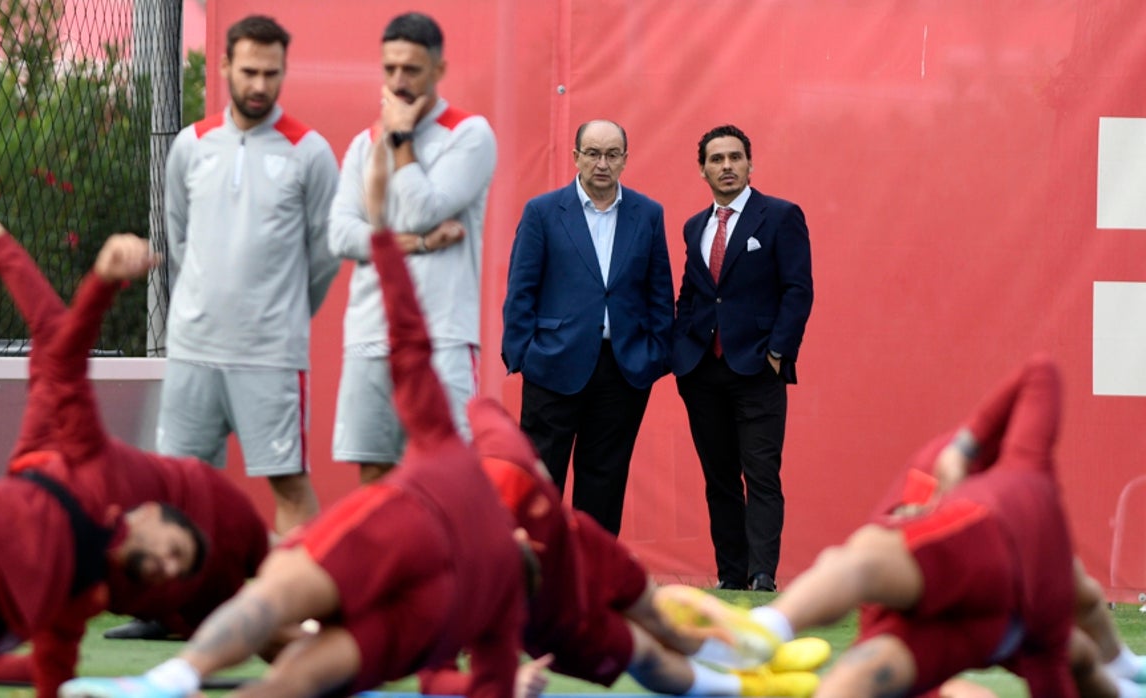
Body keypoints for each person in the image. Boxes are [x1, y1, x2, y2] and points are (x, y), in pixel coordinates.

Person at [59, 135, 526, 698]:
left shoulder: (466, 583)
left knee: (292, 639)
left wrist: (384, 235)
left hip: (379, 565)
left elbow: (417, 344)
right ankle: (167, 680)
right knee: (293, 638)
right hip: (380, 566)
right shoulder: (476, 573)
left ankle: (166, 681)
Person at [0, 171, 232, 698]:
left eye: (174, 571)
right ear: (142, 512)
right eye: (173, 551)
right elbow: (61, 343)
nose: (167, 567)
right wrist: (96, 280)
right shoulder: (86, 463)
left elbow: (54, 671)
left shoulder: (87, 593)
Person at [660, 355, 1079, 697]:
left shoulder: (1005, 474)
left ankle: (768, 628)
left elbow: (1040, 372)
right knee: (863, 671)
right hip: (1007, 623)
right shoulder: (1036, 501)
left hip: (988, 557)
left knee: (856, 562)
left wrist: (959, 451)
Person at [417, 397, 828, 698]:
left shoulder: (503, 460)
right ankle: (745, 690)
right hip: (560, 623)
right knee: (646, 653)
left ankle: (759, 647)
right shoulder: (452, 587)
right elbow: (434, 679)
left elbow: (482, 407)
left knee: (662, 614)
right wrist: (501, 686)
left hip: (585, 551)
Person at [157, 14, 340, 539]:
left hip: (271, 354)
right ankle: (172, 610)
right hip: (193, 347)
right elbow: (179, 239)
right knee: (180, 482)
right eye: (250, 71)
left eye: (271, 73)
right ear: (224, 67)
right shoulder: (190, 145)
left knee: (288, 483)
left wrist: (280, 313)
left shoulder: (311, 153)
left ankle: (297, 613)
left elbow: (324, 256)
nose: (260, 85)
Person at [328, 11, 497, 485]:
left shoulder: (470, 133)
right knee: (376, 474)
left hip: (440, 334)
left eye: (412, 70)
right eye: (390, 69)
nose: (399, 82)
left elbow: (424, 205)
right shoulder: (364, 144)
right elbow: (340, 235)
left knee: (446, 474)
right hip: (369, 331)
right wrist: (420, 244)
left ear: (438, 71)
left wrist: (400, 139)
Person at [501, 119, 673, 536]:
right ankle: (536, 577)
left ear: (625, 160)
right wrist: (523, 355)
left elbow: (659, 293)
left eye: (612, 154)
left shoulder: (647, 214)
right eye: (593, 153)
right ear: (576, 156)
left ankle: (594, 583)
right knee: (541, 481)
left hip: (622, 370)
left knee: (605, 482)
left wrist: (654, 356)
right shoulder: (543, 211)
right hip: (553, 365)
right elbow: (521, 289)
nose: (602, 163)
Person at [672, 123, 814, 591]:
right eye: (716, 159)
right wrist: (681, 353)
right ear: (702, 170)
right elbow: (691, 295)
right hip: (702, 373)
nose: (726, 166)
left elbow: (798, 291)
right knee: (720, 481)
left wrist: (777, 352)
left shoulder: (780, 216)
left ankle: (761, 577)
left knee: (761, 476)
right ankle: (731, 577)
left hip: (757, 369)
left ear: (750, 164)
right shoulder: (695, 226)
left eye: (735, 157)